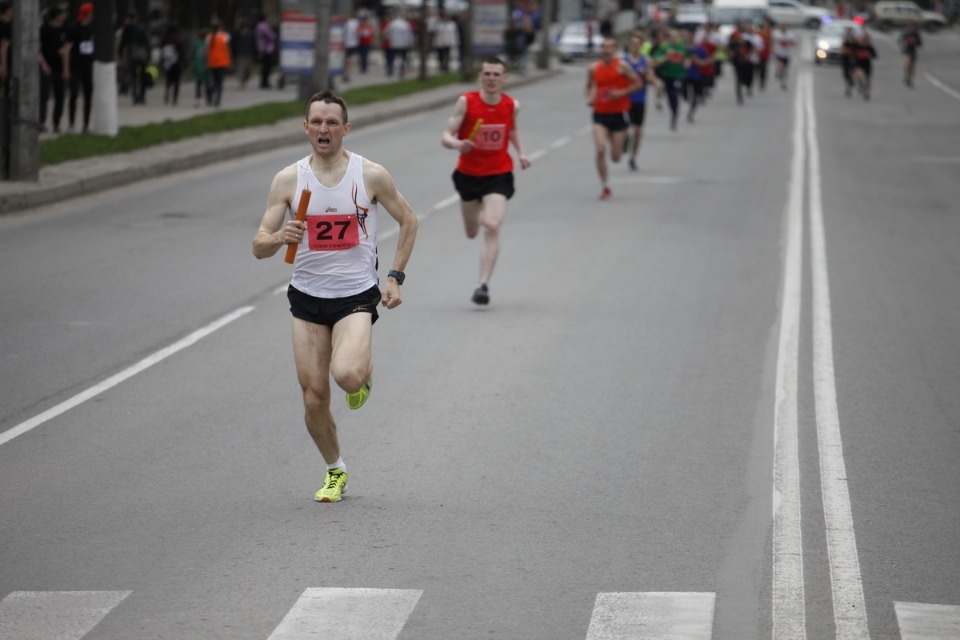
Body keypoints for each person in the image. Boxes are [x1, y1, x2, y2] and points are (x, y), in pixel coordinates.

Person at [252, 91, 418, 503]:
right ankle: (335, 470)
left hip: (355, 296)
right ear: (305, 127)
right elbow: (258, 245)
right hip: (306, 297)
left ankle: (362, 370)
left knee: (346, 375)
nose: (324, 129)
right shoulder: (289, 180)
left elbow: (409, 219)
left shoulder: (370, 175)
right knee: (313, 397)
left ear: (346, 128)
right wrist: (279, 236)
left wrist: (395, 277)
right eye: (316, 122)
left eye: (332, 122)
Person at [441, 56, 531, 304]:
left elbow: (512, 129)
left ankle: (482, 284)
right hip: (468, 175)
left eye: (496, 74)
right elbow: (446, 136)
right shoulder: (466, 102)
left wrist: (521, 152)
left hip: (498, 174)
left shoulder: (512, 105)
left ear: (504, 78)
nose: (491, 78)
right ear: (481, 77)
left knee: (491, 226)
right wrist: (458, 143)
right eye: (487, 74)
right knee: (472, 232)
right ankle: (481, 213)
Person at [585, 36, 643, 199]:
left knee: (616, 158)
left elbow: (638, 83)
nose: (606, 50)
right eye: (604, 47)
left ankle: (624, 139)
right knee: (600, 149)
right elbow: (588, 87)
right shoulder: (594, 68)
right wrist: (589, 97)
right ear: (601, 50)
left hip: (619, 114)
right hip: (600, 114)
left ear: (615, 50)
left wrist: (621, 93)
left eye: (610, 47)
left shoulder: (622, 67)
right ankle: (605, 186)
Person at [623, 32, 654, 172]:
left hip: (639, 99)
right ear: (629, 45)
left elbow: (651, 79)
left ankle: (633, 157)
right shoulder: (623, 61)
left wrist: (647, 75)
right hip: (624, 98)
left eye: (637, 44)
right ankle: (625, 139)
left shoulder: (646, 61)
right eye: (632, 44)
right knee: (624, 129)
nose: (635, 46)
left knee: (638, 130)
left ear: (641, 46)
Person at [40, 7, 71, 133]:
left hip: (59, 68)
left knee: (60, 97)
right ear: (56, 15)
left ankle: (56, 123)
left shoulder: (64, 30)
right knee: (44, 95)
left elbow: (66, 51)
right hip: (47, 67)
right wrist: (43, 65)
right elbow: (38, 48)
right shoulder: (44, 30)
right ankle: (41, 121)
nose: (64, 16)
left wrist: (66, 69)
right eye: (62, 14)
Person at [651, 29, 688, 131]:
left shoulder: (682, 47)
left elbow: (688, 57)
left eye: (676, 37)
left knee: (675, 94)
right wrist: (666, 57)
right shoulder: (665, 47)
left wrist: (686, 63)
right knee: (670, 96)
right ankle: (673, 112)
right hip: (667, 75)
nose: (674, 39)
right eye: (672, 37)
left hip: (678, 75)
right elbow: (655, 60)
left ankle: (675, 114)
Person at [66, 3, 94, 133]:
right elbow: (68, 48)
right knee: (74, 94)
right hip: (75, 65)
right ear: (87, 14)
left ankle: (86, 124)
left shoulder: (92, 29)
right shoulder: (74, 28)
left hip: (88, 66)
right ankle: (71, 123)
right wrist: (66, 68)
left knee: (88, 95)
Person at [118, 11, 150, 105]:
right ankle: (142, 96)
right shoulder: (142, 27)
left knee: (134, 75)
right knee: (143, 75)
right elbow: (147, 42)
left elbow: (123, 42)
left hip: (132, 54)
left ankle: (135, 96)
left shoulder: (127, 28)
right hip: (142, 54)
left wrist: (120, 53)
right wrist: (149, 54)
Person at [206, 18, 232, 107]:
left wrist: (206, 61)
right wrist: (230, 60)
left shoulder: (209, 36)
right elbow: (228, 49)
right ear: (221, 27)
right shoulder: (225, 36)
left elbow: (207, 50)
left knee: (213, 80)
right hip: (222, 62)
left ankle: (210, 92)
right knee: (220, 82)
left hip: (212, 62)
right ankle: (217, 100)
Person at [161, 24, 185, 106]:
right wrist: (184, 61)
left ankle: (167, 90)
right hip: (177, 63)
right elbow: (182, 52)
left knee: (168, 80)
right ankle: (174, 98)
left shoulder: (165, 40)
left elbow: (162, 52)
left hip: (168, 63)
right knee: (176, 81)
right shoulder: (178, 40)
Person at [384, 11, 413, 78]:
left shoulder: (392, 24)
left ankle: (390, 70)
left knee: (392, 58)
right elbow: (409, 34)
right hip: (404, 44)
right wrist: (410, 42)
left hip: (394, 43)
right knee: (403, 58)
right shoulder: (406, 24)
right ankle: (401, 71)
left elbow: (386, 33)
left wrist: (389, 38)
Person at [851, 31, 876, 100]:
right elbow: (852, 55)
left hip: (867, 64)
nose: (863, 40)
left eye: (865, 39)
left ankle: (867, 91)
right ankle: (860, 84)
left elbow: (874, 55)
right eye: (862, 39)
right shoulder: (856, 46)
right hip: (858, 64)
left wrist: (869, 54)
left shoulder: (869, 47)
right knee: (860, 75)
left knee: (867, 79)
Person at [232, 18, 256, 89]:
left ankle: (242, 82)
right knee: (246, 68)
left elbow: (233, 43)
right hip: (248, 52)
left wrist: (234, 52)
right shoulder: (250, 33)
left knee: (241, 68)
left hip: (240, 52)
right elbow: (253, 44)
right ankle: (244, 82)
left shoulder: (236, 32)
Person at [255, 13, 277, 89]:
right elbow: (271, 36)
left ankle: (263, 82)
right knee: (267, 67)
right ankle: (265, 83)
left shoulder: (258, 26)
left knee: (264, 67)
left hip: (262, 48)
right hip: (267, 49)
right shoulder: (264, 26)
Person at [772, 23, 795, 90]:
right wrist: (772, 49)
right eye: (781, 27)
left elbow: (794, 43)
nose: (783, 28)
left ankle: (784, 82)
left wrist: (790, 43)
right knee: (781, 66)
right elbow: (773, 41)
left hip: (787, 54)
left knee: (786, 69)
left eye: (784, 27)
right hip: (779, 53)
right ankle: (779, 72)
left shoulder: (790, 35)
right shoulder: (777, 34)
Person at [191, 28, 209, 107]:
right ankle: (208, 98)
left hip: (198, 65)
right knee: (207, 83)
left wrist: (193, 64)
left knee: (198, 83)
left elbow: (193, 55)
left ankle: (197, 99)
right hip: (205, 65)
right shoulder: (207, 44)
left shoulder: (196, 44)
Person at [900, 23, 922, 87]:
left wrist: (914, 42)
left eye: (913, 27)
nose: (912, 29)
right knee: (907, 65)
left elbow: (920, 44)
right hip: (906, 51)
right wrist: (906, 42)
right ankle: (906, 76)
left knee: (912, 67)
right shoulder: (906, 34)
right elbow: (901, 41)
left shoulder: (916, 35)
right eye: (911, 27)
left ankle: (909, 79)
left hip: (913, 52)